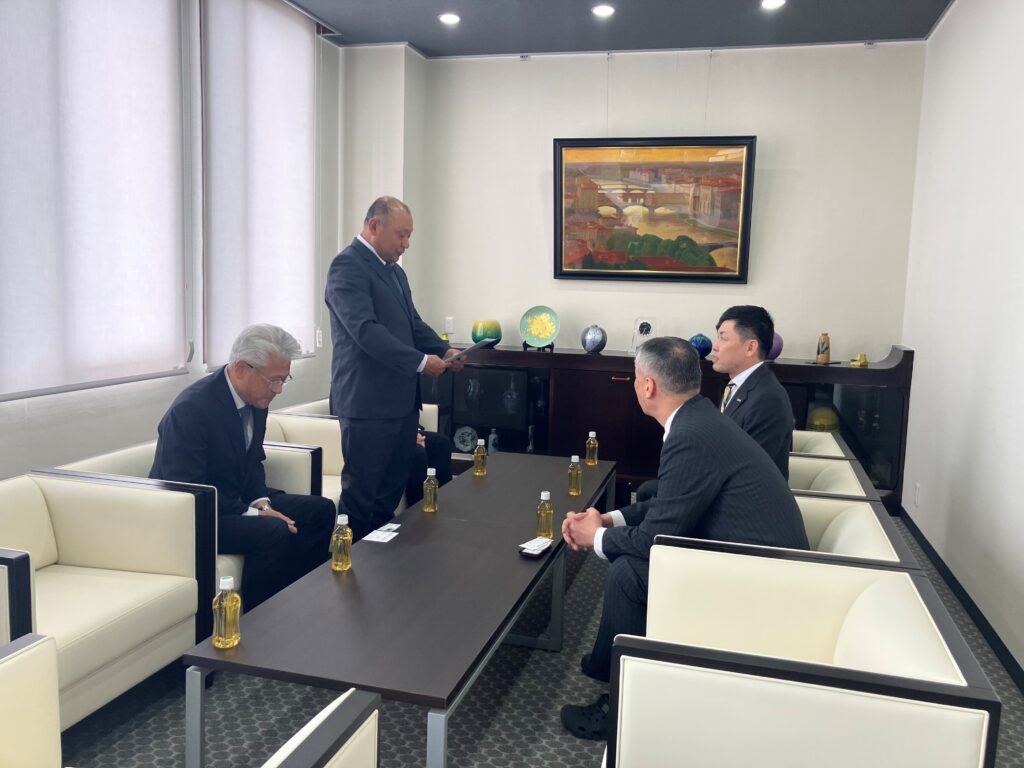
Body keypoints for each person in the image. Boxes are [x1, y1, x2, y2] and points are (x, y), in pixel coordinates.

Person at [559, 336, 808, 741]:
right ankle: (610, 665)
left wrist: (596, 537)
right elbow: (672, 504)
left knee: (629, 573)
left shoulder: (689, 434)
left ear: (647, 386)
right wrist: (609, 518)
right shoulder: (700, 418)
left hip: (763, 582)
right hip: (759, 561)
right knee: (629, 563)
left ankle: (623, 706)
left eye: (636, 378)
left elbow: (655, 539)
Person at [150, 324, 335, 609]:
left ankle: (300, 602)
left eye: (284, 379)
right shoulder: (191, 410)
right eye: (273, 381)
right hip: (198, 514)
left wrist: (261, 502)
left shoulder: (256, 398)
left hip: (234, 500)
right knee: (273, 531)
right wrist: (253, 514)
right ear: (240, 369)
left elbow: (253, 461)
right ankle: (261, 619)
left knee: (319, 511)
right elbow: (189, 489)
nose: (279, 390)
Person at [325, 196, 464, 540]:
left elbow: (412, 324)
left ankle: (380, 566)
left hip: (401, 404)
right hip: (367, 405)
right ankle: (349, 567)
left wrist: (443, 349)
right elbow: (365, 331)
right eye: (401, 235)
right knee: (362, 497)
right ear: (374, 226)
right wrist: (421, 362)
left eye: (409, 236)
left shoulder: (395, 273)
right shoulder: (347, 267)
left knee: (388, 496)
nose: (406, 244)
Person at [636, 305, 793, 502]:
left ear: (750, 347)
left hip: (741, 501)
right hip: (719, 481)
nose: (715, 347)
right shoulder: (743, 386)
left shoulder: (767, 399)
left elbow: (750, 473)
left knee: (652, 494)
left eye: (723, 338)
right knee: (651, 490)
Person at [404, 428, 454, 506]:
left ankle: (443, 502)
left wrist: (414, 433)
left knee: (441, 442)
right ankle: (417, 506)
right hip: (386, 434)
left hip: (402, 430)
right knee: (418, 452)